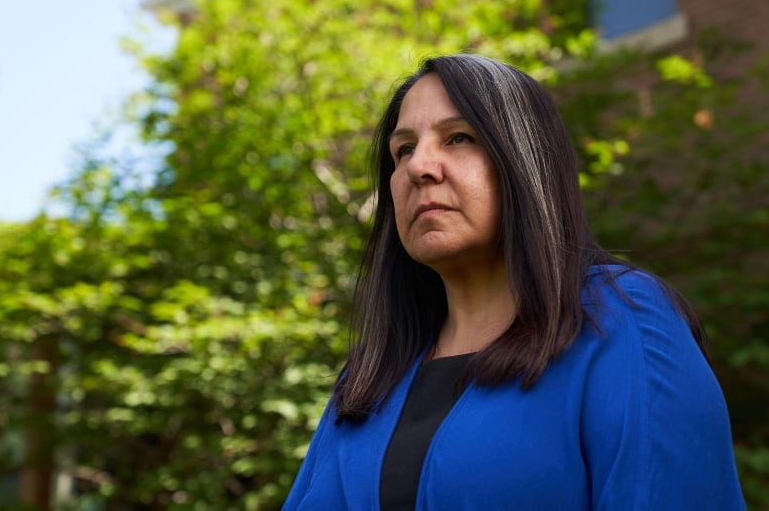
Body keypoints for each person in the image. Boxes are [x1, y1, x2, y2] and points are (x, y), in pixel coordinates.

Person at [283, 54, 745, 510]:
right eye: (402, 150)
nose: (418, 167)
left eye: (459, 137)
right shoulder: (371, 376)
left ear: (525, 163)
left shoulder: (619, 320)